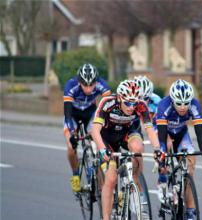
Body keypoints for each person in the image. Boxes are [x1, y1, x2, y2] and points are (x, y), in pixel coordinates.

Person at [91, 79, 160, 220]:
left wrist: (158, 149)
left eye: (134, 103)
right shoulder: (108, 102)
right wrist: (103, 149)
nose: (131, 107)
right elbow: (95, 131)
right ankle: (106, 217)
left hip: (127, 133)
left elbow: (149, 129)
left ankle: (133, 180)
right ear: (120, 97)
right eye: (128, 103)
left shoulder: (140, 105)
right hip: (107, 138)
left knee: (138, 147)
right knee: (110, 178)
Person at [155, 79, 202, 219]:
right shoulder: (164, 105)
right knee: (165, 150)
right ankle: (163, 178)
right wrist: (162, 154)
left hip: (181, 133)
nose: (183, 107)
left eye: (186, 103)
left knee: (190, 164)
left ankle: (190, 210)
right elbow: (162, 136)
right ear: (172, 100)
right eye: (179, 103)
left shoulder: (195, 105)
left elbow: (200, 133)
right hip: (164, 132)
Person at [63, 63, 111, 193]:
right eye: (85, 85)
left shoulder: (102, 84)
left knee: (97, 140)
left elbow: (109, 105)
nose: (89, 89)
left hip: (90, 113)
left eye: (92, 85)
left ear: (96, 81)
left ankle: (97, 173)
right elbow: (67, 114)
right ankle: (75, 175)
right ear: (79, 82)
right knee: (70, 146)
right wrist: (72, 133)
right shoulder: (71, 85)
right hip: (73, 114)